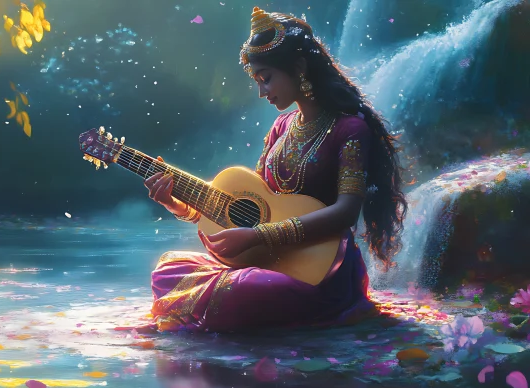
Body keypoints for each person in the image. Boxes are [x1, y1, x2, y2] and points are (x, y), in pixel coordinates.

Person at [143, 7, 407, 333]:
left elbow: (346, 213)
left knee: (242, 291)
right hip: (269, 261)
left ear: (298, 67)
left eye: (266, 79)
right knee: (168, 269)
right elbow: (252, 206)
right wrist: (179, 205)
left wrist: (256, 236)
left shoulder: (349, 129)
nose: (261, 91)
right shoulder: (281, 127)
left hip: (322, 269)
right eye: (257, 81)